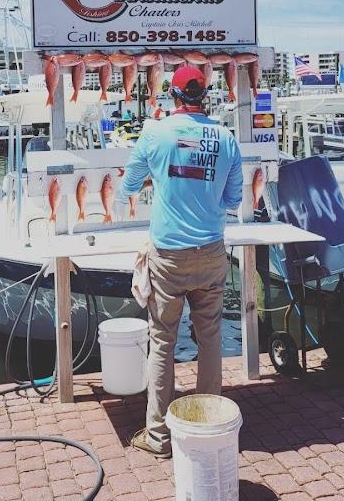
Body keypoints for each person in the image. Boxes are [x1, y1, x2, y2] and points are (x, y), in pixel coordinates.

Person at [118, 65, 243, 458]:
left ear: (172, 96)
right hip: (211, 253)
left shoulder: (155, 133)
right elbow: (233, 199)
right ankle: (208, 426)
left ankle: (158, 437)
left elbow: (128, 187)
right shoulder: (226, 137)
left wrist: (162, 179)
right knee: (209, 340)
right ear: (203, 95)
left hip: (168, 257)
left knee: (162, 341)